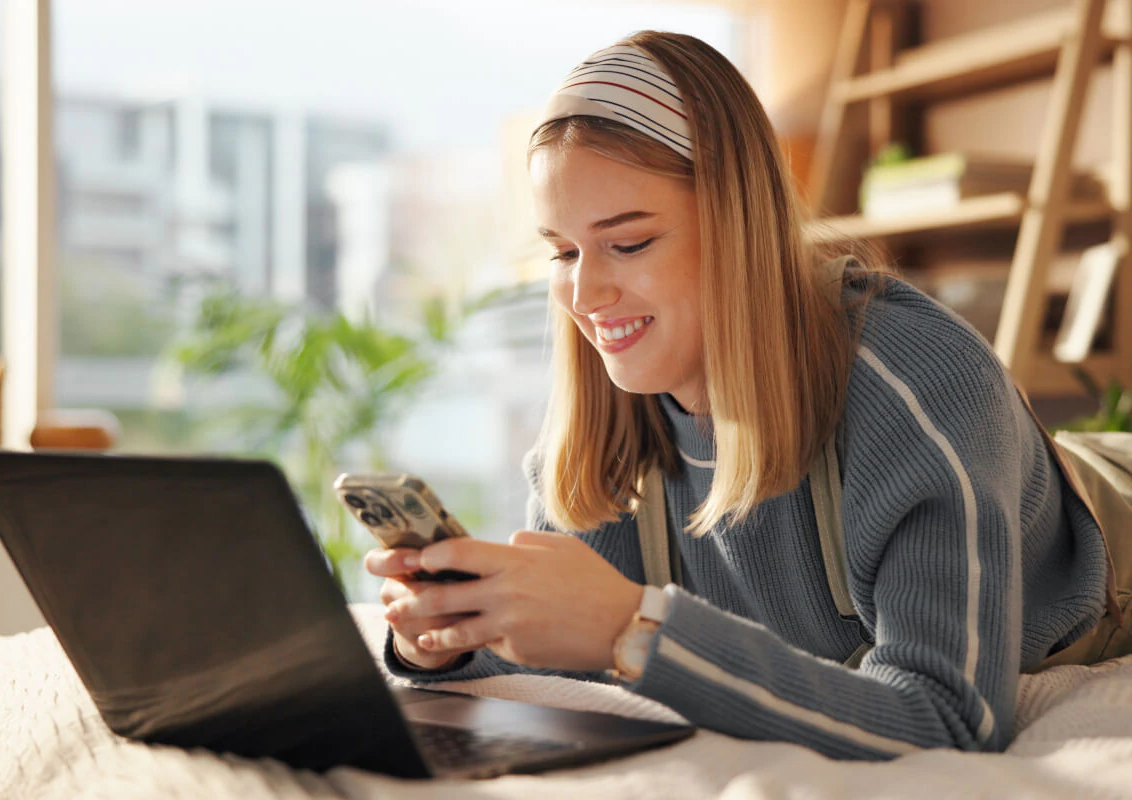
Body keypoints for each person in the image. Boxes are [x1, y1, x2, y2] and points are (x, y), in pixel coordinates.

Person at [363, 30, 1116, 760]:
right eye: (563, 251)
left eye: (629, 243)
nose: (585, 293)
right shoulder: (618, 406)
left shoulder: (922, 383)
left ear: (737, 227)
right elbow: (561, 649)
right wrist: (442, 634)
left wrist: (634, 629)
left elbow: (949, 718)